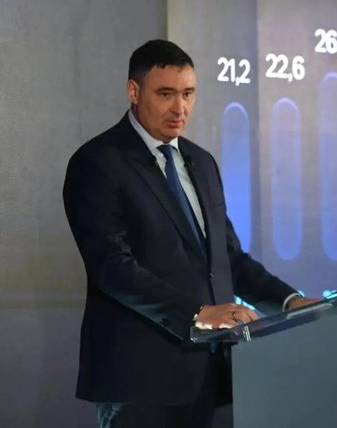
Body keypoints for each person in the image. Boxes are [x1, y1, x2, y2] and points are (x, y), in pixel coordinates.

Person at [63, 39, 317, 428]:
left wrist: (288, 301)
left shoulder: (202, 162)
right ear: (134, 91)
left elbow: (228, 258)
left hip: (212, 377)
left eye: (188, 94)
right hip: (140, 380)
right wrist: (197, 315)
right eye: (165, 94)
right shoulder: (98, 162)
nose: (179, 108)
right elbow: (111, 267)